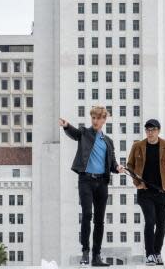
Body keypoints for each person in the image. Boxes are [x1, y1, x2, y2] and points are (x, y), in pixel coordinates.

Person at [60, 106, 124, 267]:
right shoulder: (84, 133)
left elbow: (112, 163)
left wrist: (118, 168)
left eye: (98, 118)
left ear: (104, 120)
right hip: (86, 181)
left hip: (102, 183)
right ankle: (85, 252)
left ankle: (96, 256)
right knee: (87, 214)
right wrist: (67, 126)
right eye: (93, 118)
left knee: (100, 221)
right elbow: (74, 133)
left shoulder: (108, 142)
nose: (95, 121)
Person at [126, 119, 165, 266]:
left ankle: (157, 253)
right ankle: (149, 254)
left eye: (153, 130)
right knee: (150, 221)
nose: (150, 133)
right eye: (148, 130)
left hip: (162, 192)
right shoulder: (138, 146)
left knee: (162, 224)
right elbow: (129, 165)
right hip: (145, 192)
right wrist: (137, 182)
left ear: (158, 131)